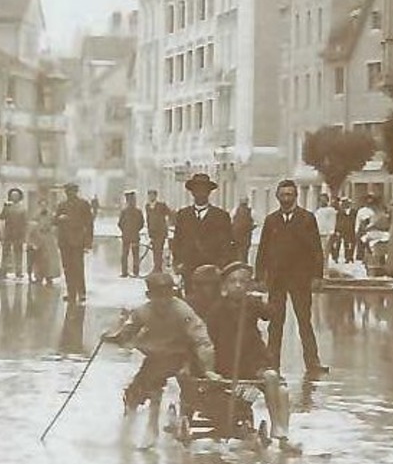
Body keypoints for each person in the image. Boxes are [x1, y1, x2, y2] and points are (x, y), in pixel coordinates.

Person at [101, 271, 220, 447]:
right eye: (158, 296)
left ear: (173, 294)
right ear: (149, 296)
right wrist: (111, 336)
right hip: (157, 357)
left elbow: (202, 340)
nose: (163, 301)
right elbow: (126, 333)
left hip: (184, 355)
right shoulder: (142, 312)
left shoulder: (182, 311)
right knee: (134, 393)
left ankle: (162, 423)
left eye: (167, 295)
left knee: (186, 387)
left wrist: (208, 368)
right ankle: (130, 431)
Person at [208, 262, 296, 448]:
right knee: (271, 378)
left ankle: (281, 431)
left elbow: (271, 314)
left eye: (243, 282)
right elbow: (211, 339)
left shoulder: (252, 304)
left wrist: (264, 299)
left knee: (280, 387)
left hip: (253, 358)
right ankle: (278, 430)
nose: (238, 285)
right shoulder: (218, 308)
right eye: (233, 281)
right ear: (225, 285)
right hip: (230, 361)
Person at [254, 179, 328, 378]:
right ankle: (272, 362)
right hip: (277, 279)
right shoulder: (271, 220)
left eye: (290, 195)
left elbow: (316, 249)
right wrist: (259, 275)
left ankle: (312, 361)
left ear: (295, 196)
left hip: (300, 279)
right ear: (278, 197)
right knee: (275, 322)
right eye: (283, 195)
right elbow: (263, 249)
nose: (286, 198)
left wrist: (317, 276)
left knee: (304, 321)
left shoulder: (307, 218)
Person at [171, 173, 235, 292]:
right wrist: (178, 262)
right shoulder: (183, 215)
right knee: (191, 302)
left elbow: (227, 243)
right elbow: (177, 241)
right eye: (196, 190)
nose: (200, 194)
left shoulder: (221, 216)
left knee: (212, 304)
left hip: (212, 269)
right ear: (192, 193)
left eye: (204, 190)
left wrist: (221, 265)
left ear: (209, 193)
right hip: (189, 268)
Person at [56, 182, 96, 304]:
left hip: (78, 240)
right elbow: (55, 221)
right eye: (67, 191)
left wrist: (88, 242)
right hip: (64, 241)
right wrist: (59, 219)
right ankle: (71, 292)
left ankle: (81, 292)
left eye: (72, 191)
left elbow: (89, 224)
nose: (69, 193)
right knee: (67, 268)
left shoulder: (83, 204)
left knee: (78, 267)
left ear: (76, 191)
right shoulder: (62, 205)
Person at [27, 200, 62, 286]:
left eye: (45, 205)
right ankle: (39, 276)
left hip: (49, 239)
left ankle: (49, 276)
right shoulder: (35, 215)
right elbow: (32, 226)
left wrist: (51, 229)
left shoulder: (51, 215)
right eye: (41, 205)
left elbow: (55, 225)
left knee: (49, 259)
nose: (43, 207)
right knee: (39, 259)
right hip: (39, 238)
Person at [0, 188, 30, 280]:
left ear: (19, 197)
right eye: (12, 196)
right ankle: (3, 271)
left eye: (16, 196)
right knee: (5, 253)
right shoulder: (7, 207)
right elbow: (2, 217)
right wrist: (5, 207)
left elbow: (25, 222)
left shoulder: (22, 209)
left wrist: (25, 235)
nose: (14, 197)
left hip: (18, 234)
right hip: (8, 233)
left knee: (18, 254)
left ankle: (18, 271)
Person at [118, 191, 145, 277]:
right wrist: (126, 231)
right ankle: (125, 272)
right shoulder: (125, 212)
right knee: (126, 254)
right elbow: (120, 223)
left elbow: (141, 223)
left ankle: (134, 271)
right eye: (130, 200)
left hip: (132, 235)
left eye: (132, 200)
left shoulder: (137, 212)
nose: (131, 202)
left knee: (134, 254)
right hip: (129, 235)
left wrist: (133, 230)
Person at [145, 190, 172, 273]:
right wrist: (149, 231)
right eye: (149, 196)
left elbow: (170, 213)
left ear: (155, 196)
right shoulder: (147, 206)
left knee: (158, 249)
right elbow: (148, 219)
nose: (150, 197)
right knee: (155, 250)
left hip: (161, 232)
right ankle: (156, 266)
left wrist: (167, 224)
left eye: (152, 195)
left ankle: (158, 267)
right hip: (153, 232)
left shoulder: (161, 205)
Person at [313, 193, 338, 264]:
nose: (322, 202)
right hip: (318, 234)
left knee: (325, 254)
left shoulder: (331, 210)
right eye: (321, 200)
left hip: (327, 234)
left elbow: (333, 222)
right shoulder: (317, 211)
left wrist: (331, 234)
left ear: (327, 201)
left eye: (324, 200)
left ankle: (325, 271)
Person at [231, 199, 256, 264]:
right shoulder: (251, 211)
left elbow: (231, 222)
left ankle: (239, 263)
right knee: (245, 251)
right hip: (246, 235)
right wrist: (251, 228)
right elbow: (255, 223)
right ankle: (244, 263)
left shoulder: (235, 210)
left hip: (236, 235)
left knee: (237, 250)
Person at [334, 195, 357, 263]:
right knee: (338, 243)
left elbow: (355, 220)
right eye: (343, 203)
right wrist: (337, 229)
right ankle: (336, 257)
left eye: (346, 203)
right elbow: (337, 221)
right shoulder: (339, 212)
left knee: (349, 244)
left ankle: (349, 257)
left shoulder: (353, 212)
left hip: (350, 229)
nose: (345, 204)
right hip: (341, 229)